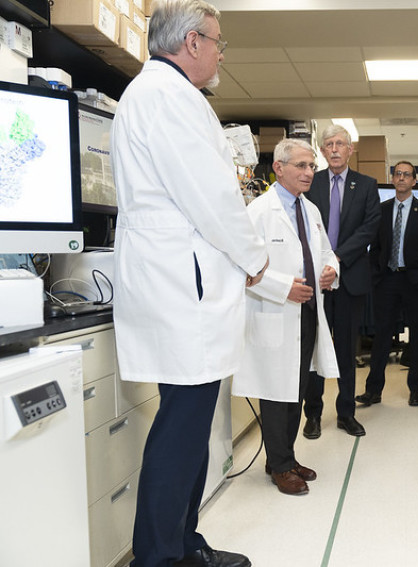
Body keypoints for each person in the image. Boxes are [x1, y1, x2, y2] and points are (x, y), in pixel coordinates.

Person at [111, 1, 268, 565]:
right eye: (219, 41)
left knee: (189, 425)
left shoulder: (164, 96)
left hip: (179, 285)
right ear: (193, 42)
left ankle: (181, 543)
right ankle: (161, 556)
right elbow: (212, 198)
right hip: (182, 289)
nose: (222, 52)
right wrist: (255, 257)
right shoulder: (167, 98)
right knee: (182, 431)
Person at [233, 139, 339, 496]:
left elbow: (326, 251)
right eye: (302, 166)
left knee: (297, 389)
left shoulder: (310, 210)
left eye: (312, 166)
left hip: (307, 312)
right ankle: (279, 465)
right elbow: (245, 265)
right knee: (276, 393)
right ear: (279, 167)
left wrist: (331, 270)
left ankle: (285, 457)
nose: (309, 172)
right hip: (275, 312)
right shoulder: (259, 212)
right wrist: (283, 288)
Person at [303, 125, 381, 438]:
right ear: (322, 151)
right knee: (315, 350)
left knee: (347, 352)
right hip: (316, 282)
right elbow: (305, 225)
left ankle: (346, 413)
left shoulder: (366, 185)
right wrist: (321, 263)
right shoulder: (311, 183)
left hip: (349, 279)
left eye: (340, 144)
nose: (334, 149)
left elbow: (369, 228)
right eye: (329, 144)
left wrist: (334, 260)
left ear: (350, 150)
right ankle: (313, 414)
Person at [355, 161, 418, 407]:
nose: (401, 178)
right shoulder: (381, 210)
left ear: (414, 181)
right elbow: (374, 247)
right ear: (393, 178)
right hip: (387, 280)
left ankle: (416, 390)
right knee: (381, 338)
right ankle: (373, 391)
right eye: (397, 174)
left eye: (406, 174)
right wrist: (375, 273)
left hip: (416, 282)